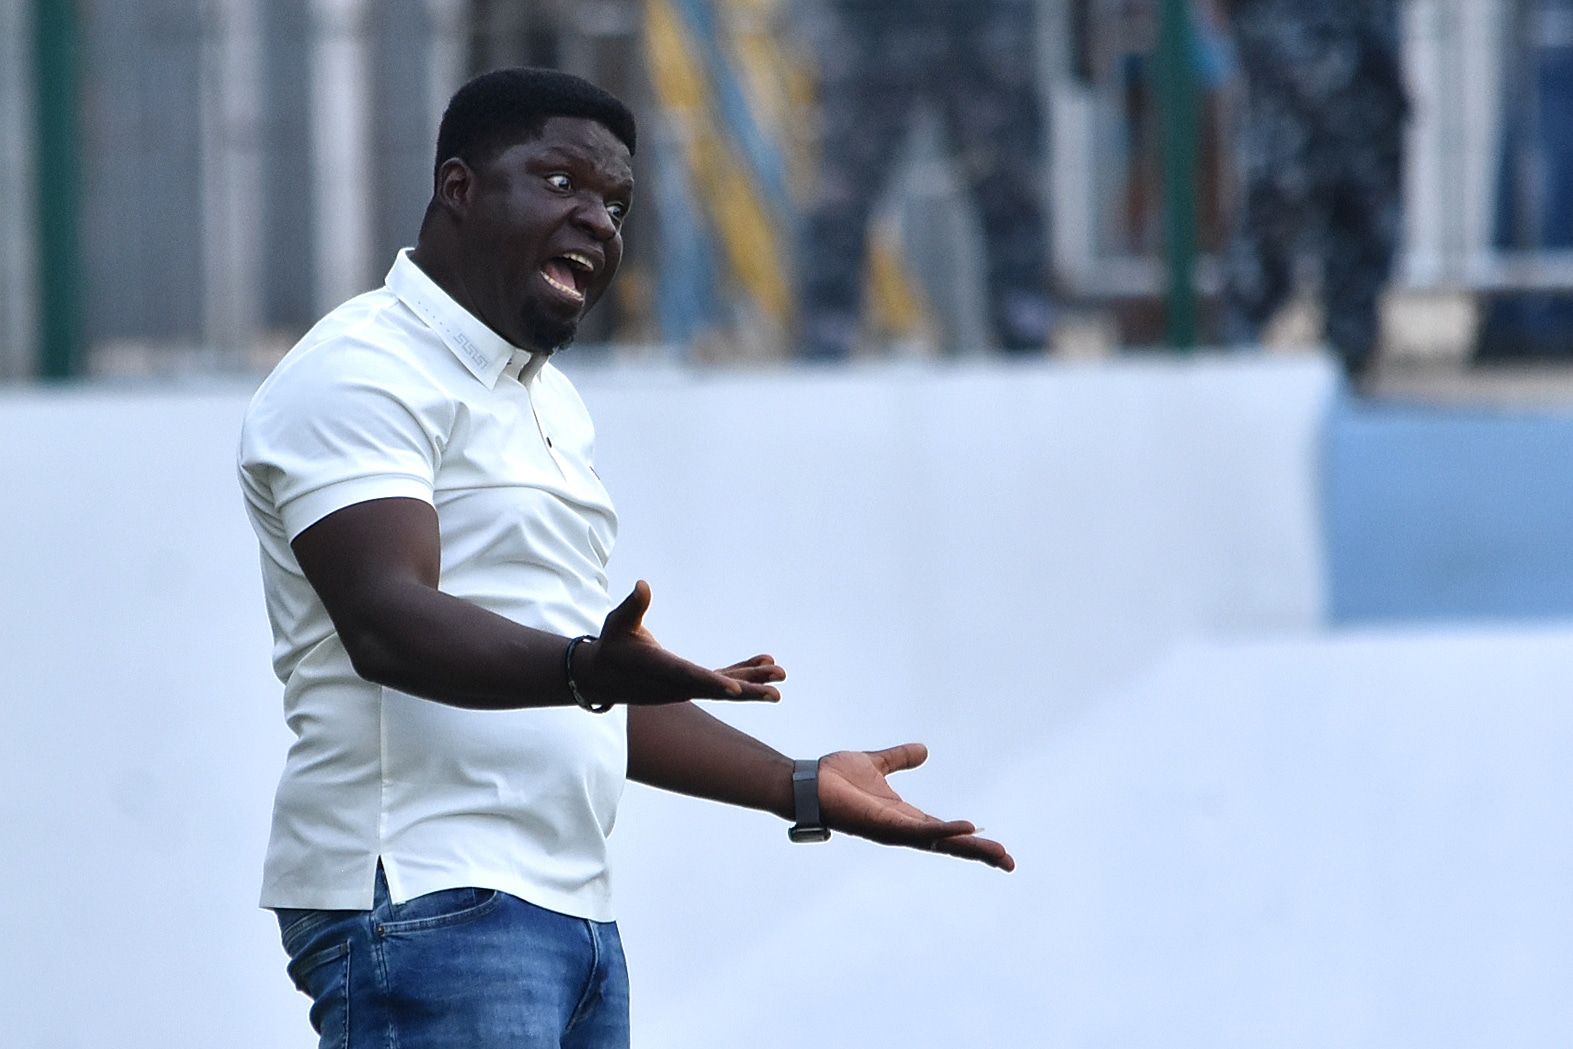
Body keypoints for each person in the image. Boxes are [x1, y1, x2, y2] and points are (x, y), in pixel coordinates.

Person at [237, 67, 1013, 1049]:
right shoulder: (360, 369)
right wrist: (584, 667)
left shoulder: (550, 404)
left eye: (616, 203)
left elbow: (579, 678)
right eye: (563, 182)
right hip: (426, 893)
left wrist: (802, 782)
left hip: (573, 916)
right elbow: (388, 621)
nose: (599, 221)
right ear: (459, 188)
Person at [796, 0, 1055, 359]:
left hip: (977, 17)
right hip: (870, 17)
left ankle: (1027, 332)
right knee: (845, 190)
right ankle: (824, 341)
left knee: (1007, 177)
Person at [1219, 0, 1409, 382]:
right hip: (1286, 25)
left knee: (1362, 194)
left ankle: (1351, 363)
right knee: (1281, 188)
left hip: (1361, 36)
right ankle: (1231, 360)